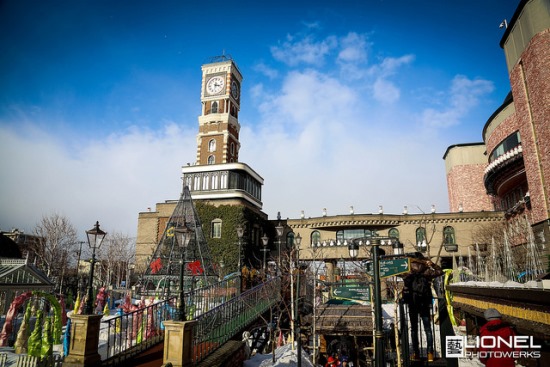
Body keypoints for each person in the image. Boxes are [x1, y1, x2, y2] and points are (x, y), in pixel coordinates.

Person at [403, 258, 442, 362]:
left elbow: (394, 273)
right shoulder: (426, 271)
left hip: (413, 303)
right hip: (424, 303)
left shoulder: (408, 272)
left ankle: (416, 353)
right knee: (428, 329)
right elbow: (440, 271)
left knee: (414, 329)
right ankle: (430, 353)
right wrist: (433, 264)